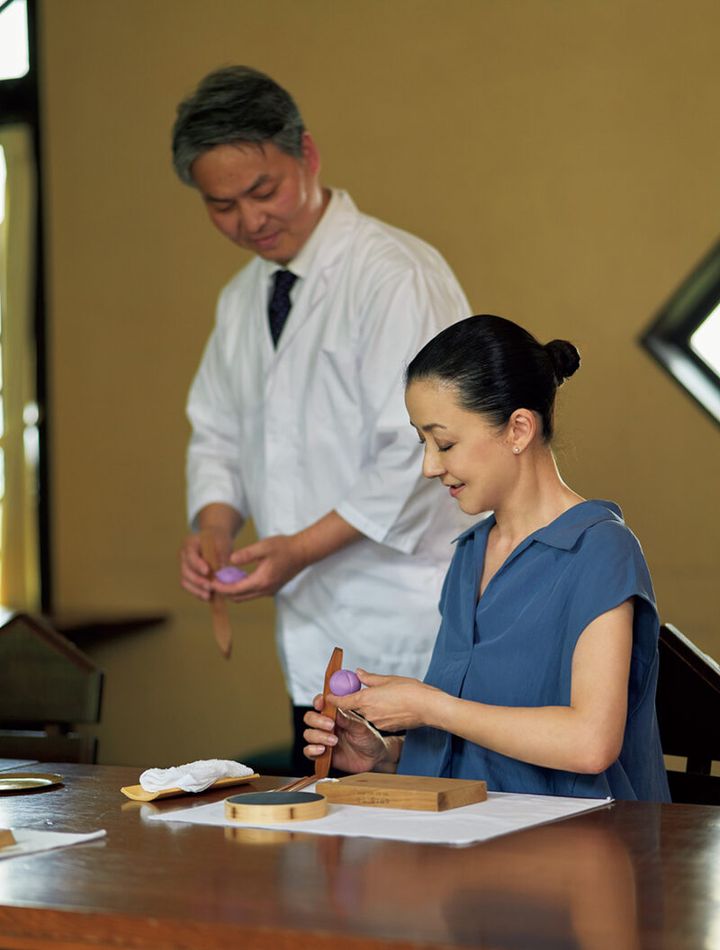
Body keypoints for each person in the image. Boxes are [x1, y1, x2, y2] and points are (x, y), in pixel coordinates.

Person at [172, 66, 472, 773]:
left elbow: (417, 451)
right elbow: (217, 430)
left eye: (263, 191)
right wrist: (213, 525)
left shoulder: (393, 274)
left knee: (418, 857)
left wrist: (298, 550)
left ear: (306, 155)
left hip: (405, 622)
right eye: (221, 206)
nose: (249, 221)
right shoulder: (242, 298)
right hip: (312, 633)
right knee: (333, 863)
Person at [304, 315, 671, 801]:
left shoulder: (600, 549)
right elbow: (479, 739)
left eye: (445, 442)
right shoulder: (470, 554)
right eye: (423, 443)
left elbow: (590, 743)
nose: (430, 466)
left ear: (519, 428)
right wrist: (386, 753)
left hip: (581, 849)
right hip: (472, 838)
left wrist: (431, 707)